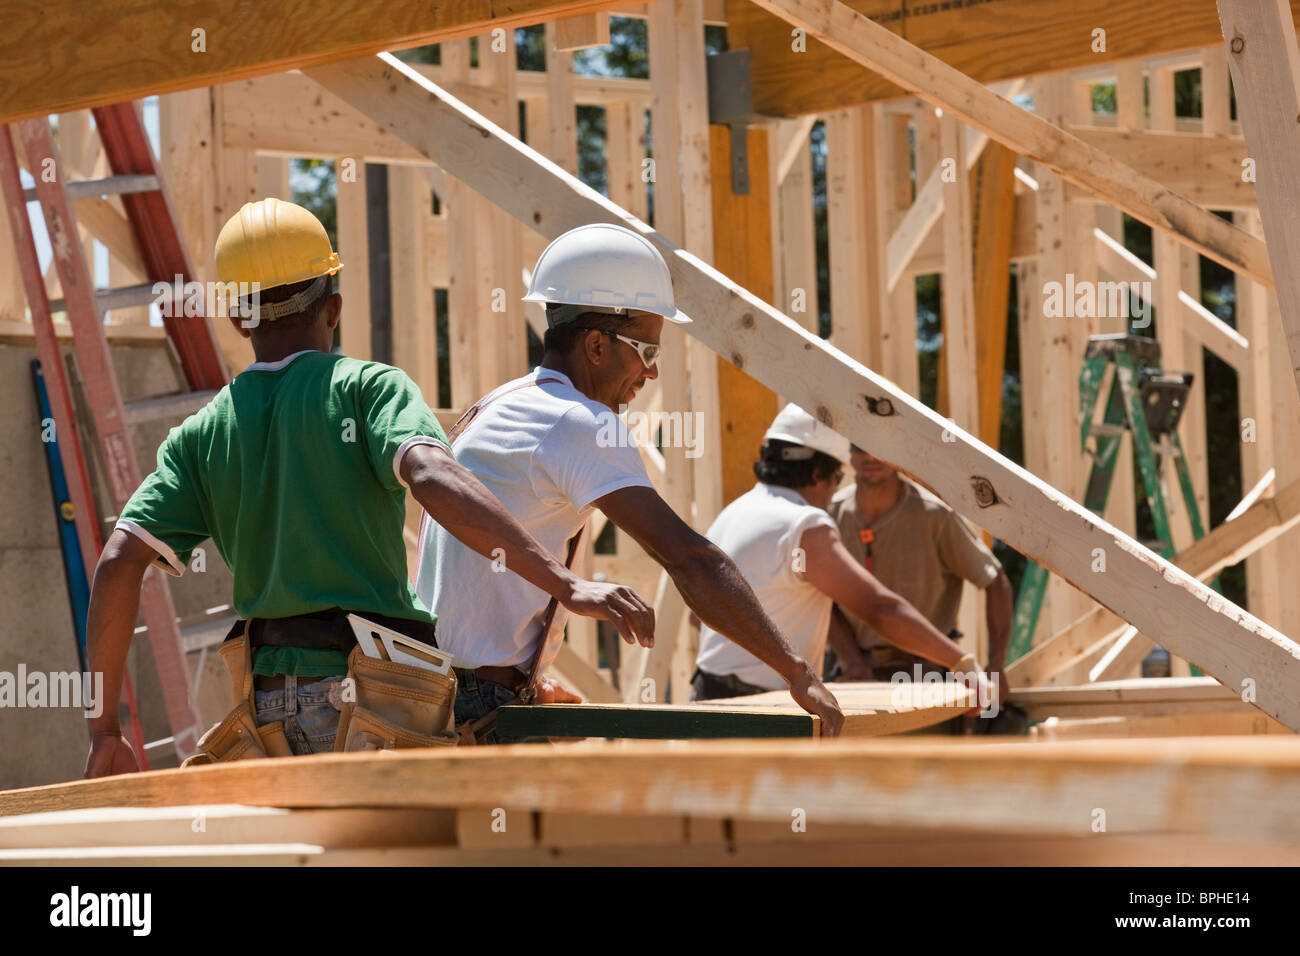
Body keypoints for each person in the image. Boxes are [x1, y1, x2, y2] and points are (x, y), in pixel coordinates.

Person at [84, 200, 651, 777]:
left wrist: (104, 730)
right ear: (333, 304)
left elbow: (117, 563)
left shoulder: (203, 433)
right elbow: (432, 476)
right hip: (370, 699)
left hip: (265, 711)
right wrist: (566, 584)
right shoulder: (367, 391)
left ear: (237, 319)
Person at [415, 223, 844, 740]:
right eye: (648, 352)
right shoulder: (577, 421)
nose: (652, 374)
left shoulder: (503, 404)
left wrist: (526, 681)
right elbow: (690, 558)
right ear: (596, 346)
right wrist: (798, 673)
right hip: (480, 699)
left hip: (444, 688)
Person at [693, 404, 985, 706]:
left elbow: (697, 615)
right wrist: (960, 662)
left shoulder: (732, 514)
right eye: (836, 481)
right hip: (762, 705)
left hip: (707, 697)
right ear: (820, 474)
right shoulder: (804, 525)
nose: (833, 495)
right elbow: (878, 609)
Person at [827, 444, 1013, 711]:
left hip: (926, 674)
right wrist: (854, 661)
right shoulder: (830, 516)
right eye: (860, 445)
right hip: (855, 672)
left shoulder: (934, 515)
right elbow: (822, 596)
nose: (870, 455)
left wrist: (995, 666)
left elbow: (995, 582)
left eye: (878, 444)